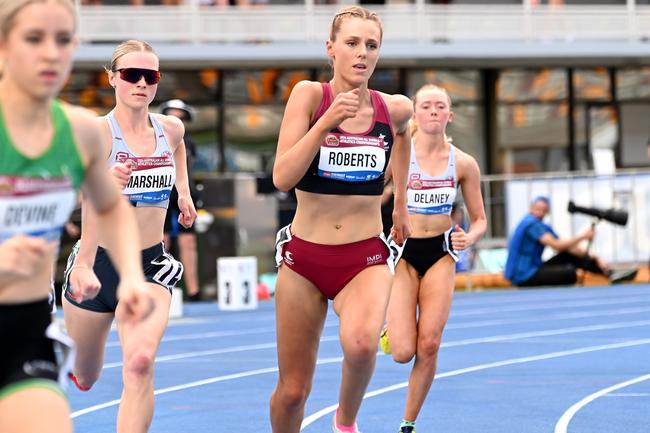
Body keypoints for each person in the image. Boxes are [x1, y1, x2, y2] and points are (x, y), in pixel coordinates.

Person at [0, 2, 152, 433]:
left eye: (63, 40)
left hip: (26, 328)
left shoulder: (78, 131)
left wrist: (131, 276)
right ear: (3, 46)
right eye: (34, 39)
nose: (51, 53)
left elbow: (109, 206)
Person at [270, 6, 413, 433]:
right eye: (352, 43)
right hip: (303, 260)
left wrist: (401, 202)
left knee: (362, 344)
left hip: (364, 256)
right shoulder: (310, 96)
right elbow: (281, 176)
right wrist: (324, 125)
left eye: (371, 45)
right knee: (293, 391)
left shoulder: (394, 108)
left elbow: (404, 135)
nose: (362, 53)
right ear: (331, 48)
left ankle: (345, 422)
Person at [62, 40, 197, 433]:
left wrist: (183, 192)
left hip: (150, 265)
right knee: (86, 376)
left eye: (150, 76)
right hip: (96, 263)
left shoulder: (170, 128)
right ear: (112, 79)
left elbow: (179, 150)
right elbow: (76, 195)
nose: (141, 83)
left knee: (139, 363)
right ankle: (80, 370)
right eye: (130, 75)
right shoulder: (96, 133)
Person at [380, 84, 487, 433]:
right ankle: (389, 328)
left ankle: (408, 423)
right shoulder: (399, 154)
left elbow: (481, 218)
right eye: (426, 106)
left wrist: (469, 236)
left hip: (440, 253)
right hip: (403, 253)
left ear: (449, 115)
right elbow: (370, 194)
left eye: (440, 107)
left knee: (429, 343)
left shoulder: (464, 163)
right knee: (401, 352)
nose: (433, 112)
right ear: (414, 113)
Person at [504, 196, 618, 287]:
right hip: (525, 275)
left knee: (569, 255)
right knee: (570, 273)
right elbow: (556, 245)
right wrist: (583, 236)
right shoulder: (531, 225)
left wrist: (595, 257)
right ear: (530, 208)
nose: (539, 212)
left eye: (543, 210)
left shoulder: (539, 225)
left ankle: (608, 272)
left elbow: (568, 247)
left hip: (534, 269)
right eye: (537, 208)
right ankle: (607, 274)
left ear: (547, 212)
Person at [160, 99, 201, 301]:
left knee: (189, 241)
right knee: (161, 241)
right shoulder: (155, 139)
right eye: (172, 115)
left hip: (184, 196)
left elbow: (187, 173)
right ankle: (155, 285)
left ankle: (194, 291)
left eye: (180, 117)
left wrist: (189, 195)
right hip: (162, 195)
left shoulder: (190, 144)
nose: (176, 120)